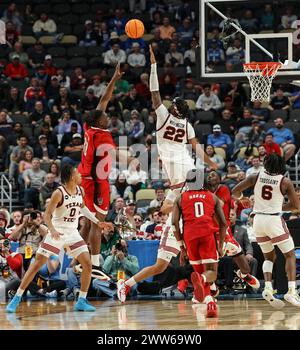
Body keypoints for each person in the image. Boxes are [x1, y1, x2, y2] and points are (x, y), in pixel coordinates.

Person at [116, 45, 217, 302]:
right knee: (165, 262)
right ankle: (128, 284)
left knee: (201, 230)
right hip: (189, 177)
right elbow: (197, 149)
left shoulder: (163, 116)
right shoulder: (187, 124)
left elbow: (154, 92)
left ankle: (203, 290)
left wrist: (153, 65)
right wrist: (213, 164)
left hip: (184, 183)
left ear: (174, 110)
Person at [6, 164, 112, 313]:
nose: (81, 176)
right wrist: (52, 230)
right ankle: (17, 298)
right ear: (71, 176)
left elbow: (83, 208)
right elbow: (47, 215)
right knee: (36, 265)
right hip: (57, 232)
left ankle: (81, 300)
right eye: (78, 174)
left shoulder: (80, 190)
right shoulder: (59, 193)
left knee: (87, 264)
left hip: (72, 233)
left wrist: (97, 222)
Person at [232, 153, 300, 308]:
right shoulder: (285, 181)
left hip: (257, 220)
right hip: (273, 219)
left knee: (269, 256)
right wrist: (278, 207)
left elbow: (234, 191)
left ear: (266, 164)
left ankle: (268, 287)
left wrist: (241, 198)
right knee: (290, 255)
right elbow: (296, 207)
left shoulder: (255, 177)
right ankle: (291, 290)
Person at [77, 63, 124, 275]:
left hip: (85, 178)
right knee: (98, 222)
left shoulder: (88, 127)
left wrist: (114, 79)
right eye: (104, 117)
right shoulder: (100, 134)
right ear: (98, 121)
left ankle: (78, 261)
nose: (107, 117)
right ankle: (95, 265)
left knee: (88, 223)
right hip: (96, 181)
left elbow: (104, 100)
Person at [172, 169, 226, 317]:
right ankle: (205, 289)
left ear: (187, 182)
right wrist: (221, 245)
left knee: (200, 271)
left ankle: (207, 299)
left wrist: (181, 247)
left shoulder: (180, 198)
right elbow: (223, 223)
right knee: (211, 273)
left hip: (189, 236)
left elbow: (174, 224)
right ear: (203, 181)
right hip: (207, 234)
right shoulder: (212, 197)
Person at [207, 170, 260, 296]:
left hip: (225, 235)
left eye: (213, 174)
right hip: (210, 234)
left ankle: (243, 274)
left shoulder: (223, 189)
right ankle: (211, 287)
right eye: (208, 174)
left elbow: (219, 203)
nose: (210, 175)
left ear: (220, 179)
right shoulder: (204, 192)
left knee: (245, 267)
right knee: (211, 266)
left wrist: (240, 199)